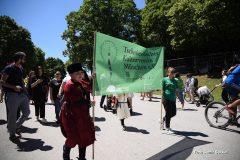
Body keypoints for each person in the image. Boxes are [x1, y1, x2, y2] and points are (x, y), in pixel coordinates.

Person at [60, 63, 95, 160]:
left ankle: (82, 157)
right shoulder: (69, 86)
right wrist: (89, 102)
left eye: (81, 72)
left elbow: (88, 87)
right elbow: (77, 102)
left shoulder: (81, 82)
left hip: (82, 114)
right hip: (71, 115)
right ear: (70, 75)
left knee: (83, 136)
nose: (80, 75)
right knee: (73, 137)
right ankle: (66, 153)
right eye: (77, 73)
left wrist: (92, 78)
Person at [0, 52, 30, 143]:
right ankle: (12, 135)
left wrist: (27, 93)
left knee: (26, 112)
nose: (25, 59)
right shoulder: (9, 68)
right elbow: (2, 81)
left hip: (22, 94)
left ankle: (14, 127)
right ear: (19, 58)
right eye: (24, 57)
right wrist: (14, 87)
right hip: (12, 95)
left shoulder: (20, 68)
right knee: (12, 115)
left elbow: (21, 81)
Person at [162, 67, 179, 134]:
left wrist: (178, 97)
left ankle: (164, 119)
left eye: (174, 72)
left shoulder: (176, 80)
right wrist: (162, 97)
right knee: (168, 113)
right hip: (166, 99)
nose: (173, 73)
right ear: (168, 73)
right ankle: (168, 127)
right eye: (172, 72)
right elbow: (163, 89)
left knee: (174, 113)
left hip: (173, 99)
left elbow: (176, 89)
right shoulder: (164, 80)